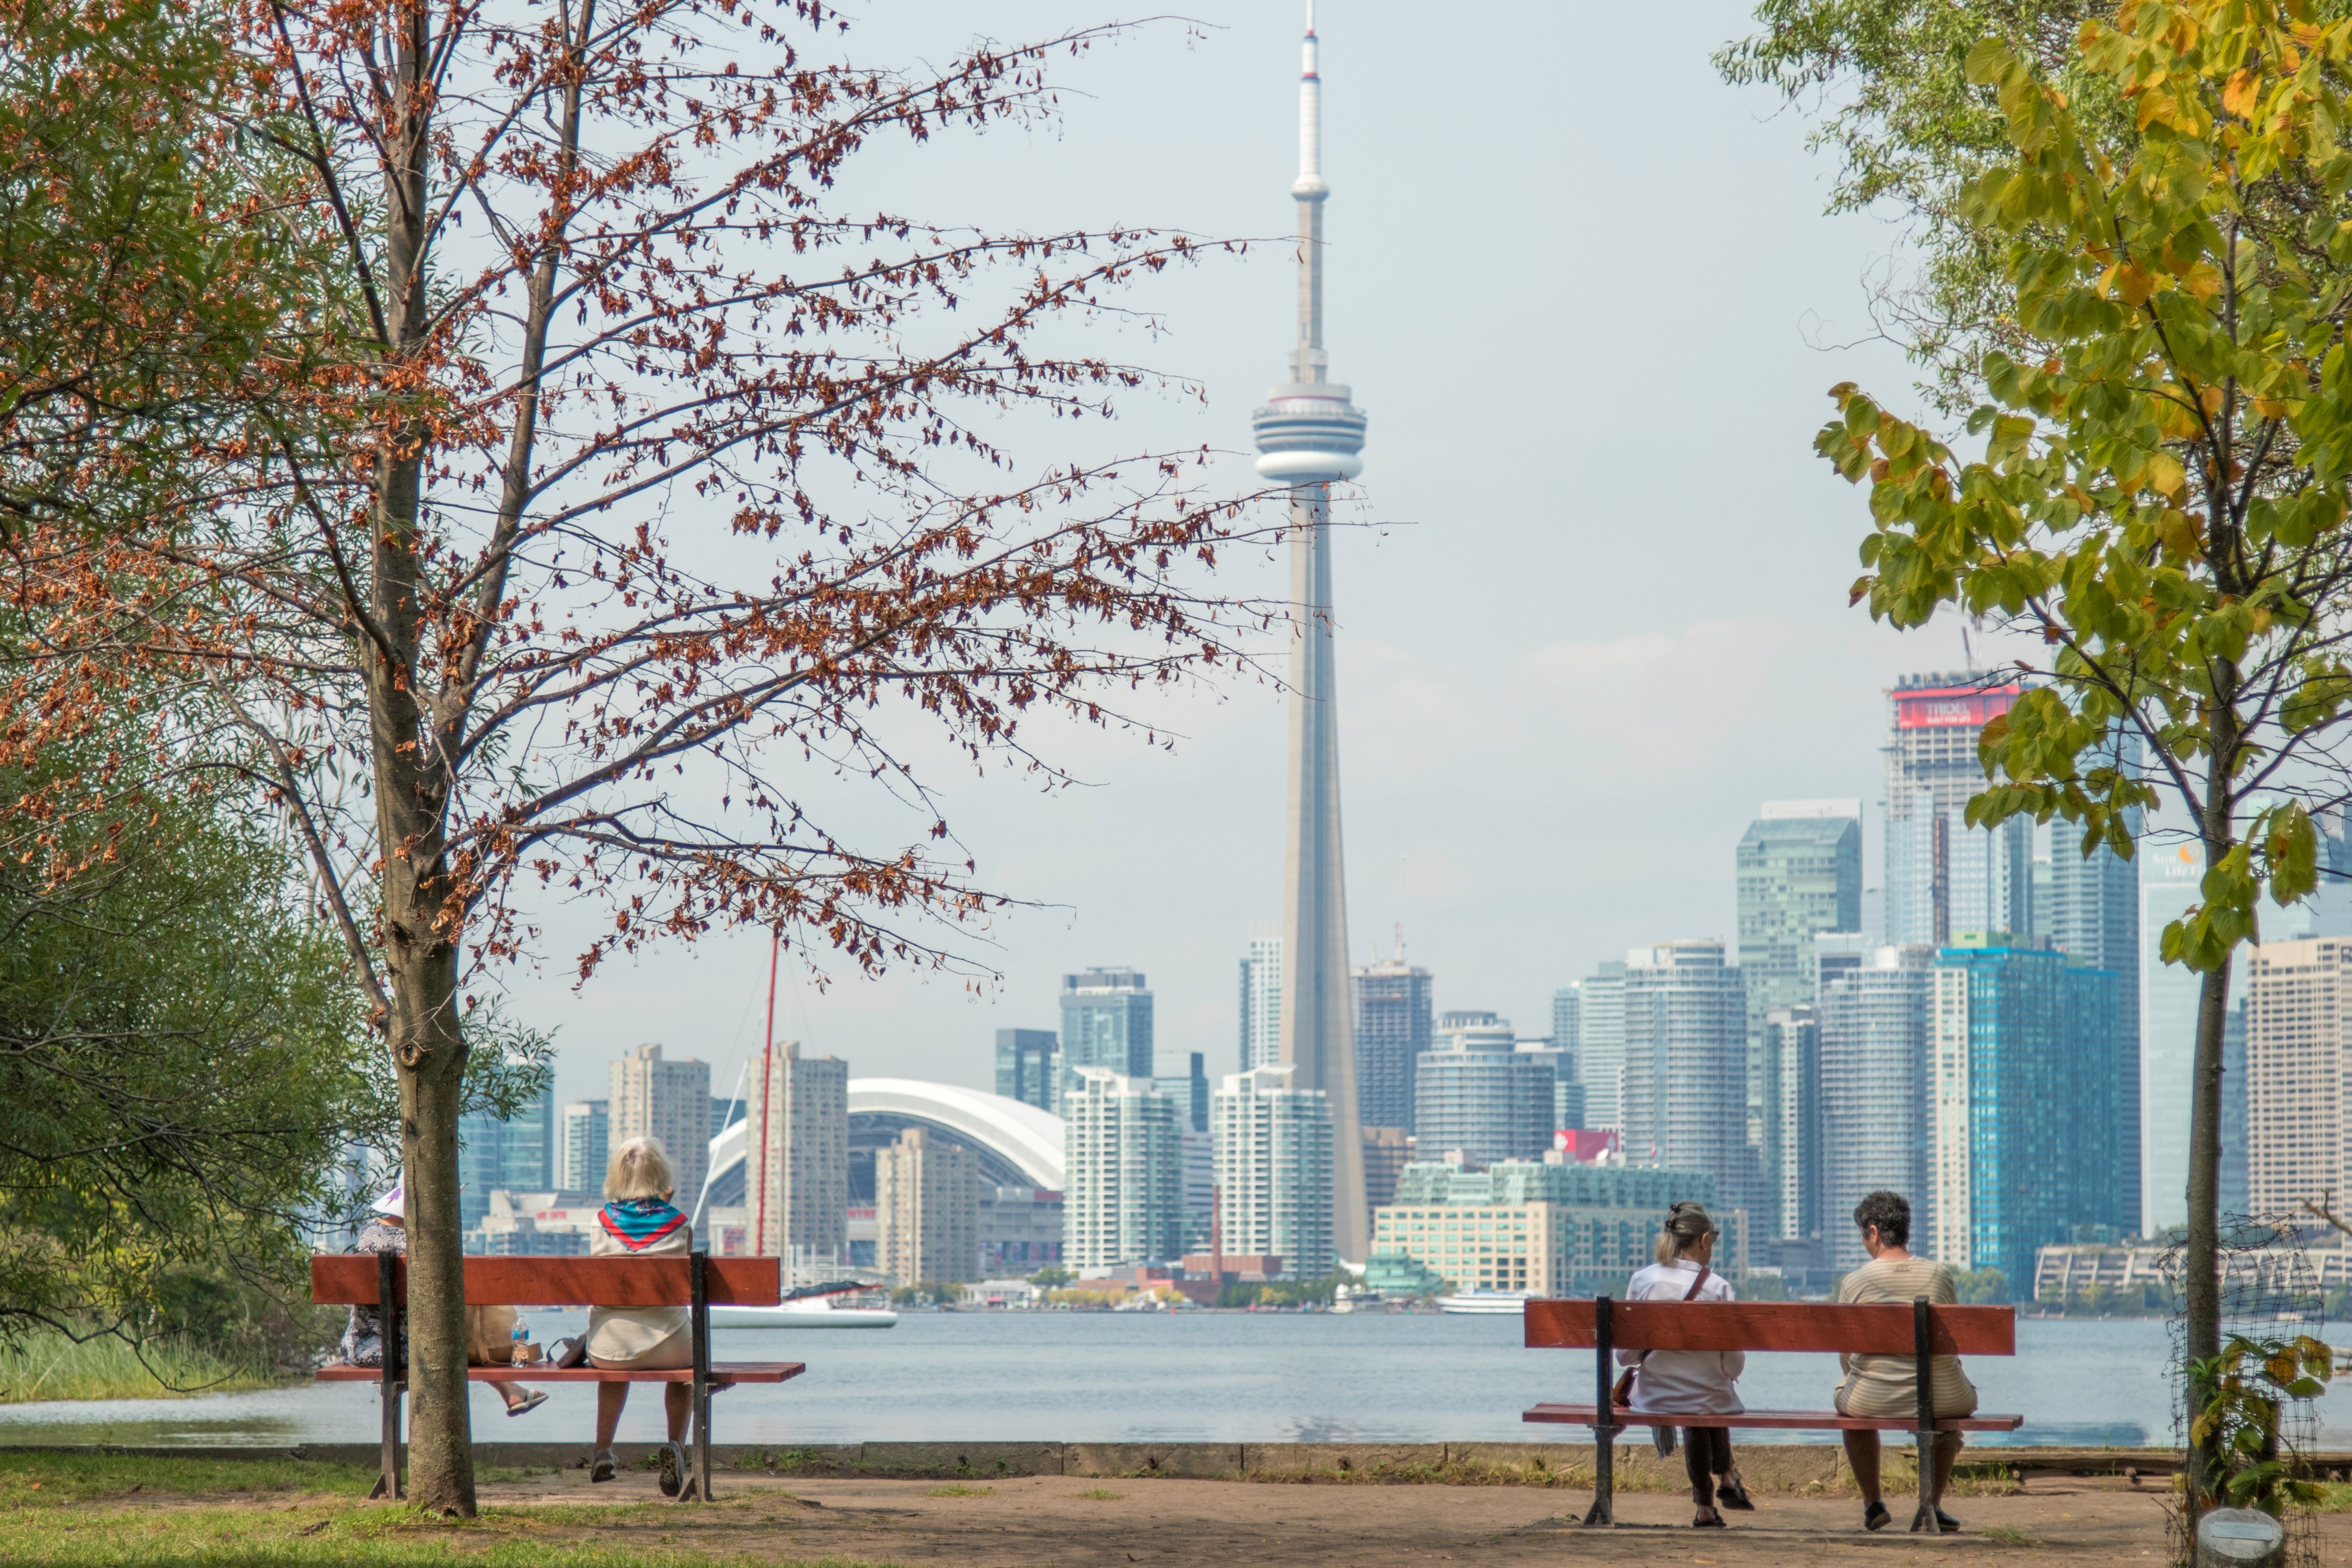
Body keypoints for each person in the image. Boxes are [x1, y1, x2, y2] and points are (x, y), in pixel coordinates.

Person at [338, 1182, 548, 1417]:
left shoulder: (367, 1233)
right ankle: (511, 1391)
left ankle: (512, 1391)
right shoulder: (427, 1245)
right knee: (455, 1346)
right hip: (418, 1351)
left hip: (361, 1347)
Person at [1834, 1190, 1978, 1534]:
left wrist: (1859, 1377)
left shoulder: (1855, 1282)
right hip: (1942, 1396)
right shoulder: (1940, 1275)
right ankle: (1932, 1504)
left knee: (1851, 1410)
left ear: (1873, 1232)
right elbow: (1952, 1346)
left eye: (1862, 1234)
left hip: (1872, 1398)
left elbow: (1845, 1355)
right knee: (1948, 1402)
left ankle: (1873, 1504)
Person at [1620, 1200, 1755, 1529]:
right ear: (1704, 1240)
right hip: (1711, 1399)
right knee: (1708, 1398)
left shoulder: (1642, 1281)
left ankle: (1709, 1503)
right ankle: (1723, 1479)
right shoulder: (1719, 1288)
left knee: (1701, 1402)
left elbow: (1626, 1357)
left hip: (1654, 1397)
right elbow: (1734, 1367)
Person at [586, 1137, 697, 1497]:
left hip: (608, 1347)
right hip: (671, 1347)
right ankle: (677, 1446)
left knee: (616, 1361)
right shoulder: (679, 1224)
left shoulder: (599, 1223)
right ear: (662, 1174)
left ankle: (603, 1449)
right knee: (685, 1375)